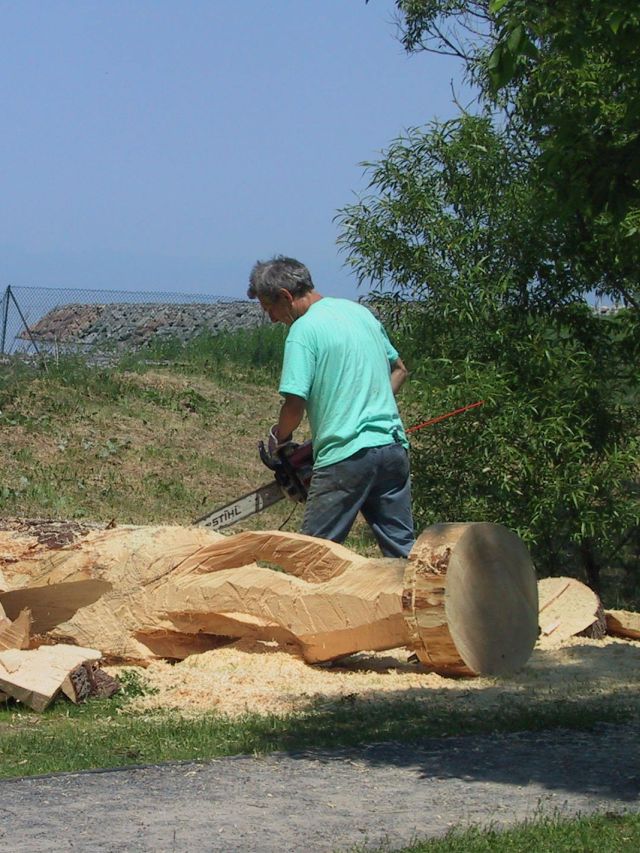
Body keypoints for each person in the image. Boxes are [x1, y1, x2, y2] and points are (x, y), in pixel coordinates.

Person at [248, 255, 414, 558]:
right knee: (402, 553)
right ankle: (421, 602)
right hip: (392, 448)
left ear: (285, 297)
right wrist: (374, 402)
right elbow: (400, 369)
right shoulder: (360, 314)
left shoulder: (303, 330)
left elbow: (294, 403)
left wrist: (280, 440)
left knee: (311, 556)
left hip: (345, 456)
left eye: (269, 309)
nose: (272, 319)